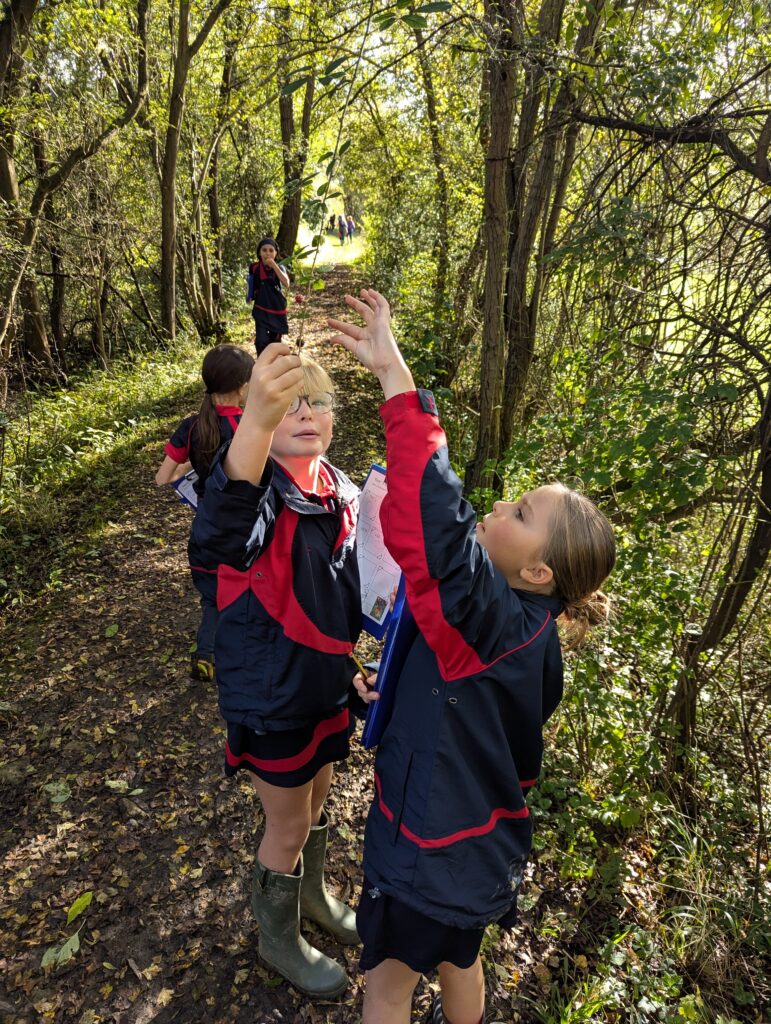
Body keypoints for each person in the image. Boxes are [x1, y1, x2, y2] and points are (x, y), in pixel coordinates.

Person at [328, 290, 616, 1024]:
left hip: (427, 847)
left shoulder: (490, 616)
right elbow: (461, 697)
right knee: (461, 958)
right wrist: (385, 691)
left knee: (388, 985)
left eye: (521, 514)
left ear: (540, 572)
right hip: (476, 850)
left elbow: (434, 524)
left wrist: (394, 374)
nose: (500, 508)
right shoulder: (528, 628)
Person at [189, 345, 363, 999]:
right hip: (270, 690)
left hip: (321, 681)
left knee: (318, 798)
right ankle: (277, 937)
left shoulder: (339, 489)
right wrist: (256, 424)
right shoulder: (259, 491)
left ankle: (311, 896)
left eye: (318, 400)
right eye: (288, 404)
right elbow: (217, 537)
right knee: (285, 823)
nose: (306, 412)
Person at [155, 344, 254, 682]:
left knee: (212, 600)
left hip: (205, 535)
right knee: (246, 596)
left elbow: (163, 477)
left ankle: (205, 654)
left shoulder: (192, 427)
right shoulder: (251, 428)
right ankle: (240, 657)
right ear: (243, 387)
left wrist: (197, 467)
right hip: (243, 534)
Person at [249, 236, 291, 354]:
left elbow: (286, 283)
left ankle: (275, 366)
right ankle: (262, 365)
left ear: (276, 253)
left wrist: (274, 266)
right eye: (264, 250)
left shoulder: (280, 267)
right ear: (259, 253)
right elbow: (252, 283)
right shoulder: (254, 267)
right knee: (261, 341)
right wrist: (250, 296)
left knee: (275, 343)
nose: (267, 253)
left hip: (277, 309)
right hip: (261, 308)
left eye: (271, 250)